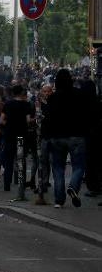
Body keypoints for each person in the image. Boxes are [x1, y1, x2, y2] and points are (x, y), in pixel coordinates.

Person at [44, 68, 93, 208]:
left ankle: (59, 200)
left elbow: (49, 117)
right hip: (77, 135)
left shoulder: (53, 97)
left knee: (58, 168)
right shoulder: (80, 95)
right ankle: (73, 186)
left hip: (57, 136)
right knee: (79, 166)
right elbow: (86, 114)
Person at [0, 85, 34, 192]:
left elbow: (1, 120)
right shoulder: (26, 104)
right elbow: (28, 120)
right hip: (21, 136)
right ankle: (21, 184)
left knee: (8, 161)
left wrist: (9, 124)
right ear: (22, 92)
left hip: (9, 135)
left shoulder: (8, 104)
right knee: (20, 160)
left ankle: (6, 185)